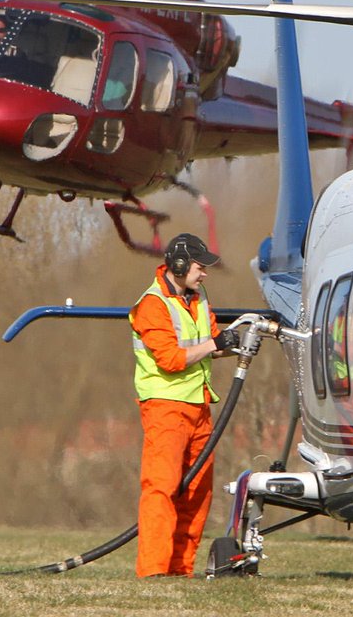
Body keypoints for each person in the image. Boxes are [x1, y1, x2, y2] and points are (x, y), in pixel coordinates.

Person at [128, 233, 240, 578]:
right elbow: (173, 360)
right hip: (165, 408)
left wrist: (237, 342)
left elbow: (209, 346)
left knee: (197, 492)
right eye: (198, 266)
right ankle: (154, 571)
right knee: (161, 488)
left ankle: (180, 570)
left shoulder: (198, 298)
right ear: (178, 264)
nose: (204, 273)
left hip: (198, 406)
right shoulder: (152, 305)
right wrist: (215, 344)